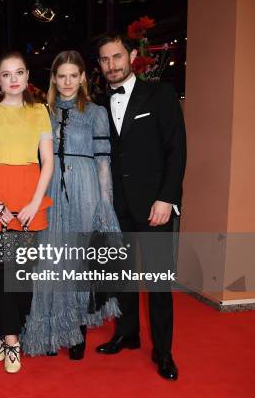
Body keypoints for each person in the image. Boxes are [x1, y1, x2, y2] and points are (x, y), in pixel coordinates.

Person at [95, 32, 186, 381]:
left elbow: (177, 150)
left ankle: (164, 352)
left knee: (159, 282)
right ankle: (127, 334)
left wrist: (167, 198)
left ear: (132, 55)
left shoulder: (160, 94)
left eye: (116, 57)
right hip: (116, 206)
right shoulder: (102, 103)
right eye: (104, 59)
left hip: (154, 206)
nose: (111, 65)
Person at [21, 50, 121, 359]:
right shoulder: (40, 112)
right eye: (61, 76)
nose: (67, 82)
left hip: (85, 190)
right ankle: (51, 329)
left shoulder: (96, 113)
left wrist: (105, 204)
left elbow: (104, 163)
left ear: (82, 79)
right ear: (53, 78)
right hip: (49, 190)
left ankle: (77, 330)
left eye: (73, 76)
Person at [0, 51, 54, 374]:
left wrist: (34, 202)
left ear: (28, 75)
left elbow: (47, 161)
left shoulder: (40, 112)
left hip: (28, 198)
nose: (13, 79)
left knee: (20, 273)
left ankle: (7, 330)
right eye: (6, 74)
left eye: (19, 72)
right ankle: (10, 339)